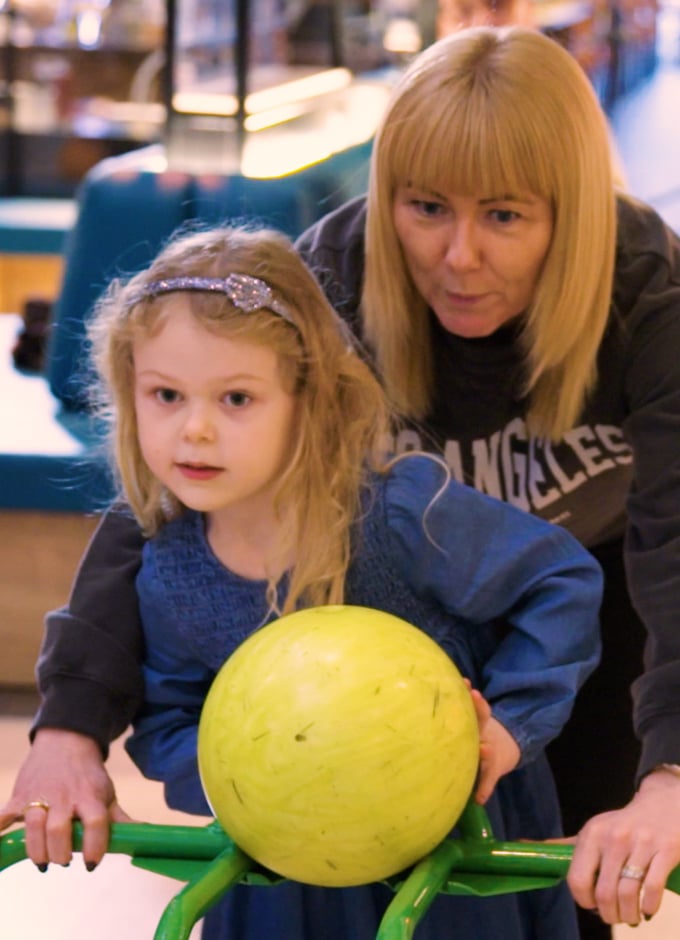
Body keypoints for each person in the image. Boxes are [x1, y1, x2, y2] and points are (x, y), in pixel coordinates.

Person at [2, 23, 680, 934]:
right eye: (426, 207)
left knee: (563, 872)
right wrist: (68, 727)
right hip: (369, 634)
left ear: (573, 213)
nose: (459, 255)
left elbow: (673, 544)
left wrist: (671, 778)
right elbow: (172, 492)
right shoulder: (337, 278)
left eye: (507, 215)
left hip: (572, 606)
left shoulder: (647, 293)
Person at [70, 221, 603, 938]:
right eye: (166, 395)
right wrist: (262, 779)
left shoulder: (399, 514)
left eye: (235, 399)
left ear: (308, 398)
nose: (194, 430)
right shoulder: (167, 569)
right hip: (284, 876)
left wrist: (508, 727)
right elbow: (167, 720)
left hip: (444, 863)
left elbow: (560, 582)